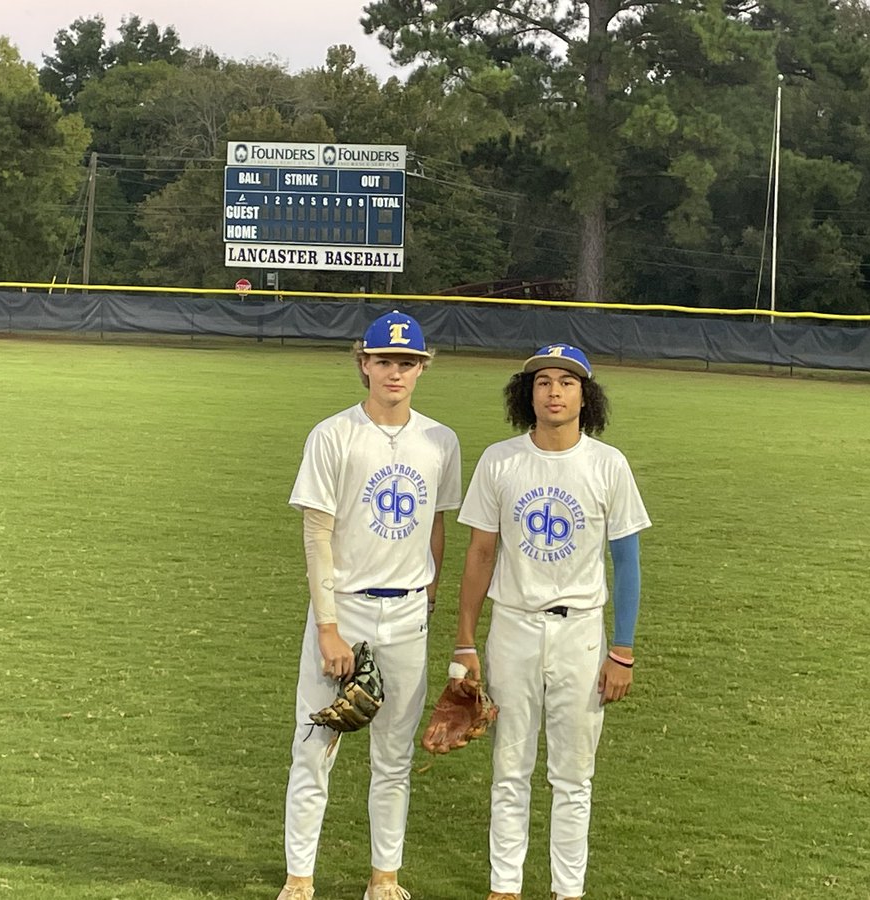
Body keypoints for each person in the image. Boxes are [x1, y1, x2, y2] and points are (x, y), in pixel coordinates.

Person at [450, 343, 651, 900]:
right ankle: (504, 887)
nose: (554, 392)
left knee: (573, 775)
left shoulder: (608, 464)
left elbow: (627, 560)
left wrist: (623, 650)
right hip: (512, 627)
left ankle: (568, 890)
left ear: (586, 396)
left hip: (581, 633)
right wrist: (464, 642)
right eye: (543, 382)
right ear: (528, 394)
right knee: (509, 767)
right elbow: (480, 554)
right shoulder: (500, 460)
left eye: (566, 382)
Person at [279, 310, 462, 900]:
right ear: (364, 364)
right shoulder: (333, 434)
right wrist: (327, 628)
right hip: (345, 610)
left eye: (407, 362)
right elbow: (317, 534)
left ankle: (384, 877)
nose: (395, 372)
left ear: (422, 369)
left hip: (407, 614)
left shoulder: (440, 440)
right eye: (384, 360)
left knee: (394, 757)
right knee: (314, 747)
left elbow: (436, 525)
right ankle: (299, 879)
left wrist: (429, 596)